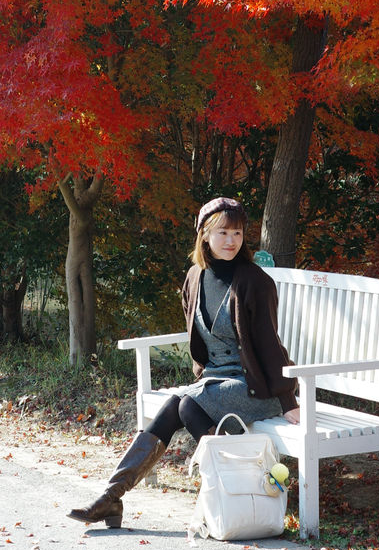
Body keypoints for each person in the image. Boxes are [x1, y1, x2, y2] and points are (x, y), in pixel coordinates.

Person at [68, 196, 300, 528]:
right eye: (222, 233)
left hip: (255, 386)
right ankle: (112, 497)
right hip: (216, 381)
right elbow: (199, 334)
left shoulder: (255, 281)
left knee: (186, 405)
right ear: (204, 235)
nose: (231, 241)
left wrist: (287, 398)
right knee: (181, 404)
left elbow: (269, 343)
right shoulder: (195, 277)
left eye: (237, 233)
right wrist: (204, 377)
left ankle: (230, 485)